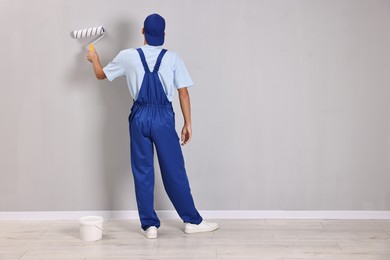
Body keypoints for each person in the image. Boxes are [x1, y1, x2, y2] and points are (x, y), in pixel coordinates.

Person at [87, 13, 218, 239]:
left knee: (142, 171)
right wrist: (188, 123)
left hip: (139, 116)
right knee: (174, 170)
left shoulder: (128, 56)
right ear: (164, 34)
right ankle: (192, 221)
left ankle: (149, 226)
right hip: (163, 118)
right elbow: (183, 93)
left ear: (142, 32)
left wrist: (94, 57)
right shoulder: (173, 59)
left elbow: (100, 75)